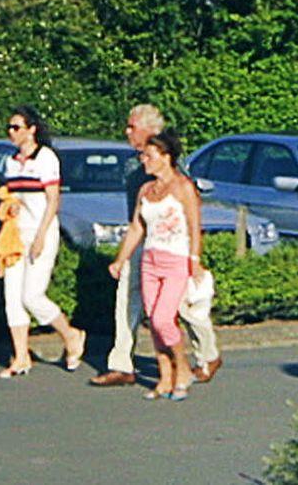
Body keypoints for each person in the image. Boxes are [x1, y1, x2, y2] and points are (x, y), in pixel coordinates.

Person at [92, 104, 221, 388]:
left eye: (132, 126)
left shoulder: (170, 161)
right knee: (127, 298)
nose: (127, 132)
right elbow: (136, 217)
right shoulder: (132, 165)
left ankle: (207, 354)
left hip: (172, 247)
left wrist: (193, 257)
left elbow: (188, 209)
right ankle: (122, 364)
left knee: (181, 308)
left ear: (150, 129)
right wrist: (122, 255)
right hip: (143, 240)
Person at [0, 105, 86, 378]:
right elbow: (13, 195)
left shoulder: (46, 158)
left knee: (32, 296)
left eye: (16, 127)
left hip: (41, 232)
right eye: (9, 127)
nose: (11, 132)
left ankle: (70, 334)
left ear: (31, 129)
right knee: (12, 297)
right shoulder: (10, 162)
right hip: (16, 235)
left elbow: (53, 200)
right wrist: (10, 206)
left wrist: (41, 236)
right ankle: (21, 357)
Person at [110, 127, 201, 400]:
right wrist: (120, 259)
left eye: (149, 156)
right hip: (150, 260)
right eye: (143, 156)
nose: (144, 161)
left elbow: (195, 227)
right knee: (153, 320)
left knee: (163, 319)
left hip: (175, 261)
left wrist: (194, 260)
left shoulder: (183, 187)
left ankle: (182, 367)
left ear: (166, 156)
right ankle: (165, 377)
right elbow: (136, 227)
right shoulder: (146, 190)